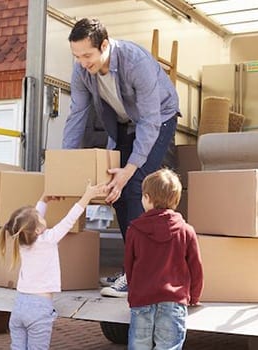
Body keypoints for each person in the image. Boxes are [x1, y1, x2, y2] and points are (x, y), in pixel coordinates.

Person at [63, 17, 180, 296]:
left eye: (87, 55)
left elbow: (150, 121)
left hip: (159, 120)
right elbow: (76, 116)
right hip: (125, 124)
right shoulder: (81, 70)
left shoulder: (135, 61)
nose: (82, 62)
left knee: (135, 186)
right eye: (76, 56)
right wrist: (62, 165)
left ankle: (139, 271)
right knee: (113, 189)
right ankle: (133, 265)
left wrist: (130, 169)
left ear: (104, 45)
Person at [0, 182, 107, 350]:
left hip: (19, 306)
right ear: (37, 230)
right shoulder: (48, 240)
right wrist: (87, 197)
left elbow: (30, 222)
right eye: (40, 217)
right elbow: (69, 220)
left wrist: (43, 200)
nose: (43, 217)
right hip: (39, 308)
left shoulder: (21, 242)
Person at [124, 168, 203, 350]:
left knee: (139, 346)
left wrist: (133, 291)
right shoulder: (186, 231)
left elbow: (129, 265)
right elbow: (196, 268)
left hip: (142, 299)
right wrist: (194, 296)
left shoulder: (134, 230)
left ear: (148, 198)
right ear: (175, 200)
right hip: (174, 300)